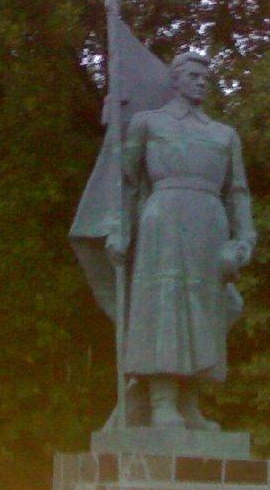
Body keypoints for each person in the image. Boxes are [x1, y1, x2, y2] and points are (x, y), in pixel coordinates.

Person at [106, 52, 256, 430]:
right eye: (193, 75)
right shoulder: (147, 123)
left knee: (212, 310)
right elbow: (126, 183)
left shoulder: (224, 134)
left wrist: (244, 239)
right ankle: (162, 401)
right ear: (174, 81)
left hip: (210, 224)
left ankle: (190, 403)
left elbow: (238, 192)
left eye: (205, 77)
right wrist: (119, 229)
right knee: (165, 306)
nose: (201, 81)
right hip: (164, 219)